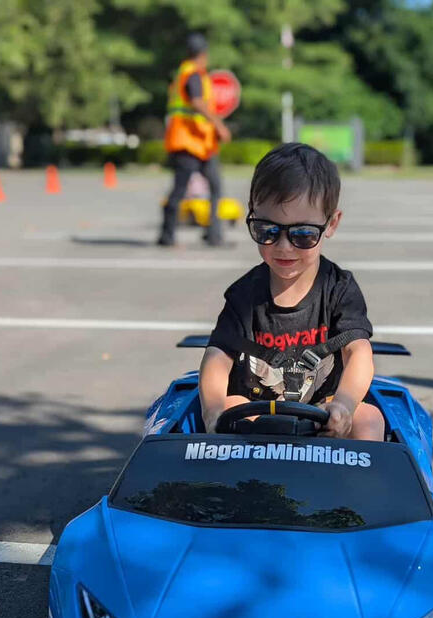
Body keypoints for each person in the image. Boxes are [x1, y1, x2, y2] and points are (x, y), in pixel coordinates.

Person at [199, 142, 385, 441]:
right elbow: (217, 356)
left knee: (369, 419)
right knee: (231, 405)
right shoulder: (244, 295)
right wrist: (213, 411)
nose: (284, 247)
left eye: (303, 234)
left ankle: (359, 487)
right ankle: (236, 485)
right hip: (257, 412)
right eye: (267, 231)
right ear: (252, 216)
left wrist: (344, 405)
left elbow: (358, 351)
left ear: (331, 224)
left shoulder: (338, 289)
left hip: (324, 410)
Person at [158, 33, 230, 247]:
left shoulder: (184, 73)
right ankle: (167, 236)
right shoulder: (194, 75)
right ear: (203, 54)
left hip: (198, 142)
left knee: (212, 186)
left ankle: (213, 235)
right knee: (183, 189)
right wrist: (219, 124)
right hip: (189, 141)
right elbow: (198, 103)